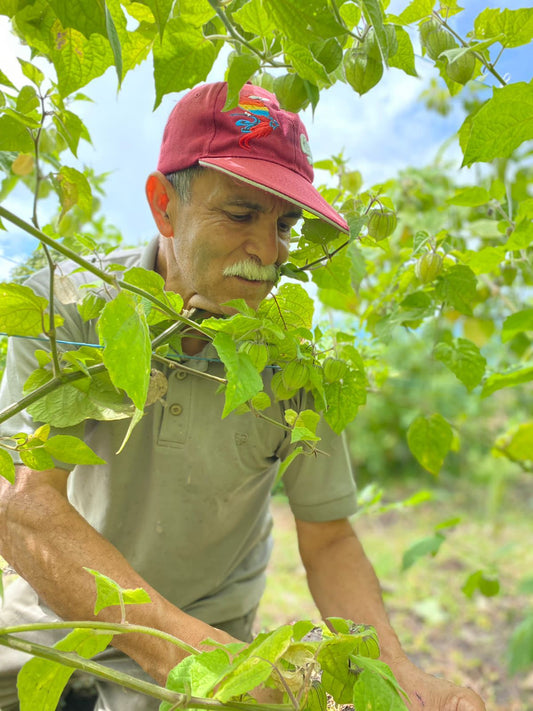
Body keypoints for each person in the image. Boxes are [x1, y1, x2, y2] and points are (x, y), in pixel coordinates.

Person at [0, 82, 485, 711]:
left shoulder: (295, 366)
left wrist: (394, 673)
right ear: (163, 207)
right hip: (49, 633)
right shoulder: (65, 306)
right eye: (240, 214)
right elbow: (24, 505)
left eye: (284, 223)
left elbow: (329, 536)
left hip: (208, 655)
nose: (268, 250)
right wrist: (200, 659)